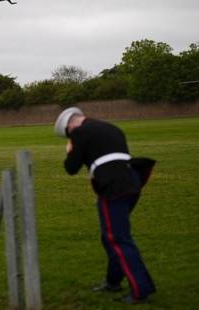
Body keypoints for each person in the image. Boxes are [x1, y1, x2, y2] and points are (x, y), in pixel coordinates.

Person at [54, 107, 156, 304]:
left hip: (113, 186)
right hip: (132, 181)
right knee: (111, 236)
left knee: (117, 238)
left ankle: (141, 289)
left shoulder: (80, 132)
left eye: (68, 134)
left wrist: (70, 150)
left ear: (70, 126)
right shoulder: (112, 128)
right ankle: (113, 281)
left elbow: (71, 168)